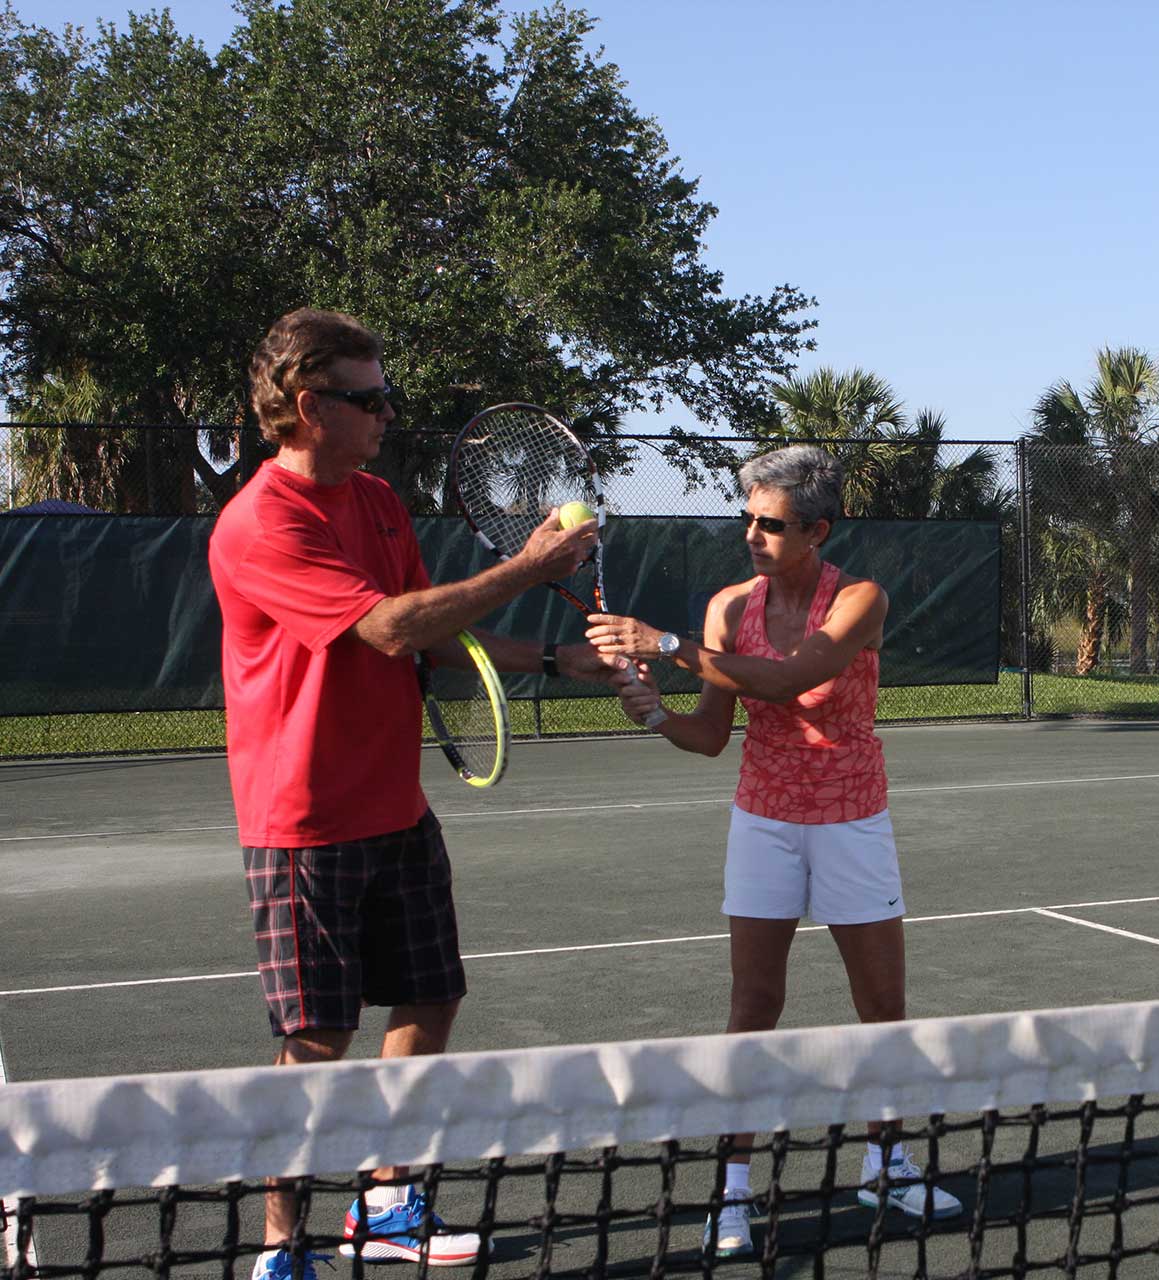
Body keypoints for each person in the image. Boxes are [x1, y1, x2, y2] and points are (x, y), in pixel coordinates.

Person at [209, 308, 618, 1280]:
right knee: (317, 1037)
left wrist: (558, 658)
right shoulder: (261, 522)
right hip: (306, 822)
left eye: (386, 394)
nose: (388, 413)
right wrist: (527, 568)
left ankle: (387, 1204)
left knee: (431, 996)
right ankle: (280, 1246)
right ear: (308, 406)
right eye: (369, 398)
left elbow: (436, 639)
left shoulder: (380, 503)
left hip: (397, 807)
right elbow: (388, 627)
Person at [584, 444, 961, 1256]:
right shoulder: (727, 609)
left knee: (881, 1007)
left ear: (817, 530)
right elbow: (711, 735)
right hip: (763, 822)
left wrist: (663, 643)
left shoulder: (859, 599)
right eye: (747, 519)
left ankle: (887, 1165)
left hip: (853, 820)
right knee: (753, 1007)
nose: (753, 535)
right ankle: (732, 1192)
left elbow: (791, 680)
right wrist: (654, 714)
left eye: (773, 524)